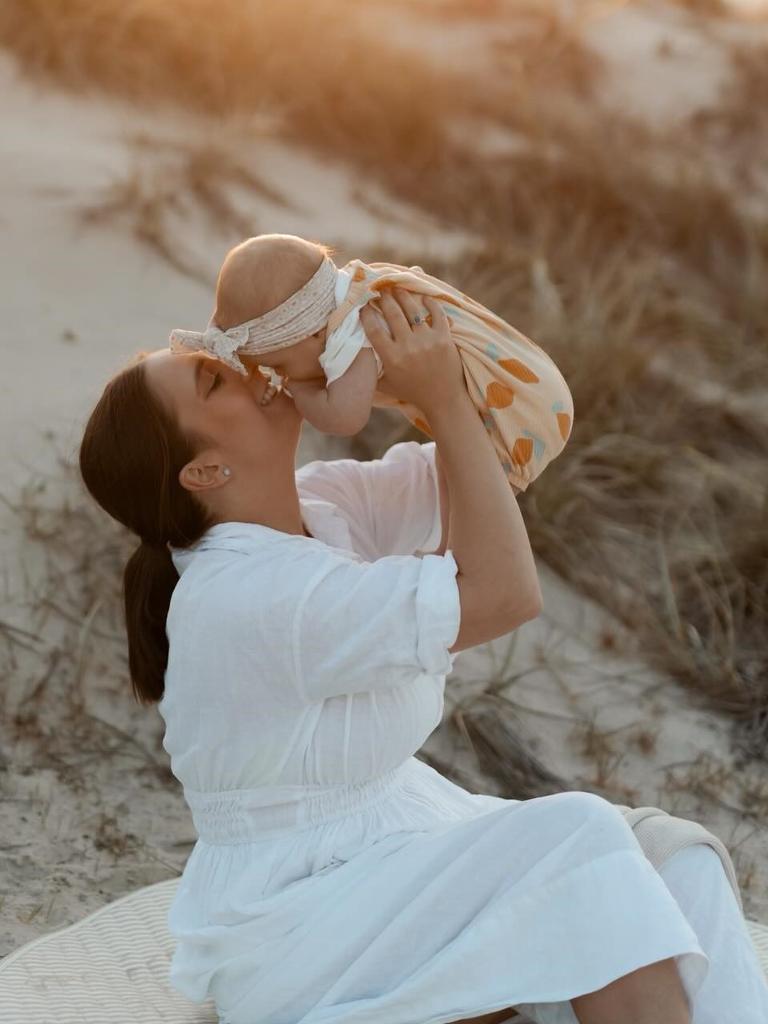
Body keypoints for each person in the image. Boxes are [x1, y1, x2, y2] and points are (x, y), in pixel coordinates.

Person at [78, 288, 768, 1024]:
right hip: (298, 922)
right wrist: (438, 400)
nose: (241, 364)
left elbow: (495, 454)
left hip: (395, 841)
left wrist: (367, 369)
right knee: (581, 841)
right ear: (204, 472)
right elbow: (505, 592)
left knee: (676, 862)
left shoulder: (318, 506)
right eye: (215, 379)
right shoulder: (251, 596)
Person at [168, 233, 573, 494]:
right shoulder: (362, 285)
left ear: (311, 333)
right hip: (538, 382)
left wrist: (302, 388)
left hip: (517, 411)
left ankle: (451, 561)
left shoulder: (352, 332)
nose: (281, 378)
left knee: (463, 488)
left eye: (280, 366)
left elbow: (344, 418)